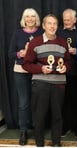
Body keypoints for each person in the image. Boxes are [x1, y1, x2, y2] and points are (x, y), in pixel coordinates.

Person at [22, 14, 70, 147]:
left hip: (59, 84)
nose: (52, 26)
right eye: (49, 23)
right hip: (40, 83)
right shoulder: (35, 42)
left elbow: (67, 62)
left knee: (57, 116)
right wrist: (41, 68)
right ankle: (39, 143)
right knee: (39, 116)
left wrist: (65, 68)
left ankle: (56, 143)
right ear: (43, 25)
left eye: (55, 23)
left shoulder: (63, 42)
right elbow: (26, 64)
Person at [8, 8, 43, 146]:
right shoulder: (17, 34)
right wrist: (21, 54)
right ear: (24, 19)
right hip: (20, 71)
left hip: (37, 71)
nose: (30, 19)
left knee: (38, 101)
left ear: (36, 18)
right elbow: (10, 54)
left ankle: (37, 128)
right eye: (27, 16)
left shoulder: (41, 32)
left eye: (33, 16)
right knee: (24, 103)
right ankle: (23, 130)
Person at [57, 8, 77, 137]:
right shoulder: (58, 31)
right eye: (64, 19)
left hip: (76, 73)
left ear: (75, 20)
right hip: (60, 73)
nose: (66, 22)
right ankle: (64, 127)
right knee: (62, 102)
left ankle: (76, 127)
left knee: (76, 102)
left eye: (69, 19)